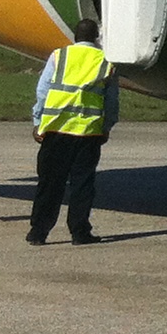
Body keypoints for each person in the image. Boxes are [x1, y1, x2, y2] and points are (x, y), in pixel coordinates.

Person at [29, 16, 115, 246]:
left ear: (75, 36)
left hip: (56, 130)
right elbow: (111, 102)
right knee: (82, 185)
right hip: (88, 133)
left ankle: (38, 232)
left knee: (49, 183)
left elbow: (43, 91)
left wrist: (38, 122)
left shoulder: (59, 56)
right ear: (96, 37)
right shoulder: (106, 62)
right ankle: (79, 232)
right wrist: (105, 127)